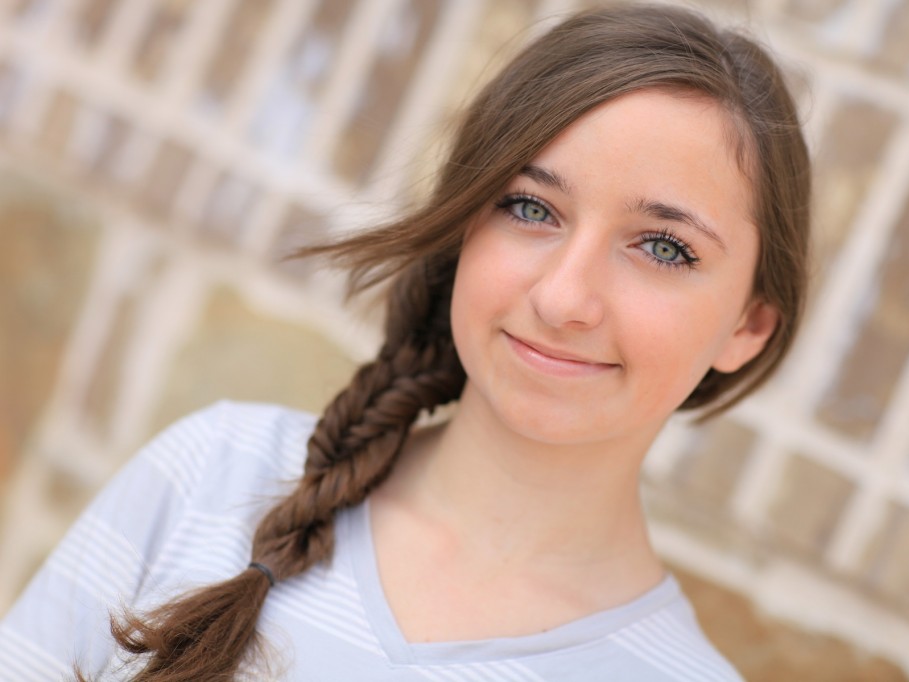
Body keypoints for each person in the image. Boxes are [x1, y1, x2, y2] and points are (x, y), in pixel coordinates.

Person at [0, 3, 809, 680]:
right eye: (530, 208)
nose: (565, 297)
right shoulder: (211, 476)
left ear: (748, 325)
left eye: (664, 247)